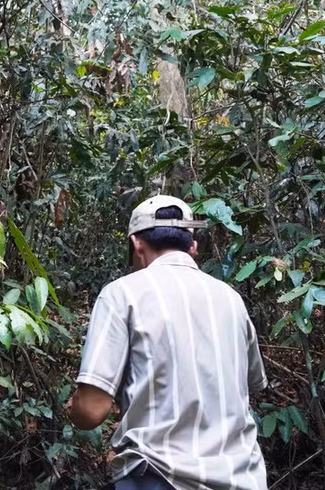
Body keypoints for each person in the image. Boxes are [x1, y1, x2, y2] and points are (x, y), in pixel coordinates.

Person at [68, 195, 269, 490]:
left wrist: (75, 407)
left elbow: (90, 411)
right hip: (242, 478)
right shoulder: (231, 299)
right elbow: (253, 383)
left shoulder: (122, 294)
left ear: (137, 242)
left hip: (158, 477)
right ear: (193, 247)